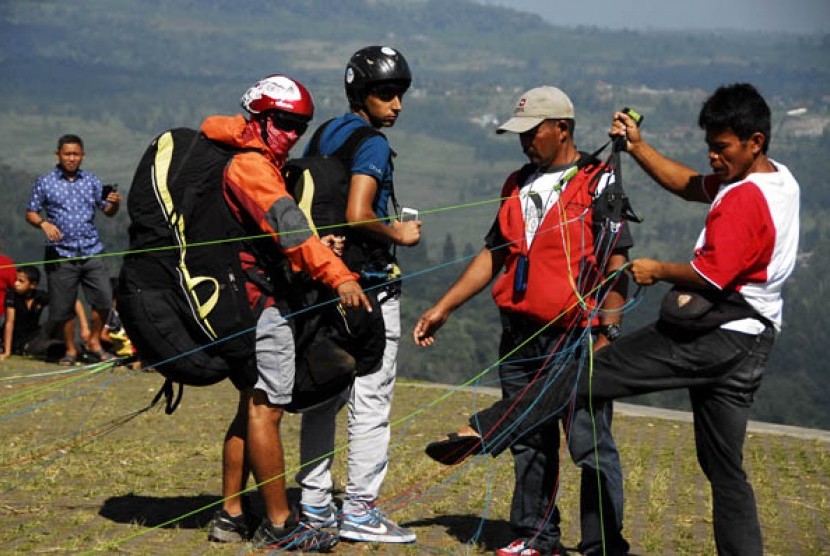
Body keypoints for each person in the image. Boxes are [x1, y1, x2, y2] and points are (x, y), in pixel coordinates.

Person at [424, 83, 799, 556]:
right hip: (753, 340)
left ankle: (488, 429)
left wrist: (653, 275)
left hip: (715, 335)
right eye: (710, 146)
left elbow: (710, 275)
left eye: (721, 148)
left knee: (582, 378)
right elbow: (687, 184)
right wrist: (639, 147)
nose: (712, 158)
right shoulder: (778, 180)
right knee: (724, 470)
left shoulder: (745, 198)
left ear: (755, 141)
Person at [414, 86, 632, 556]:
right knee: (529, 441)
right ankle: (535, 537)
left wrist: (608, 333)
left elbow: (617, 265)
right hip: (518, 337)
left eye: (532, 133)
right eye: (520, 134)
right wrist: (444, 307)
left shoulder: (599, 183)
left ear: (563, 129)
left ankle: (604, 546)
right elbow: (495, 254)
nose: (525, 142)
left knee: (589, 444)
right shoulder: (515, 183)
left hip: (574, 339)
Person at [192, 74, 372, 552]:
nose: (293, 133)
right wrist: (339, 275)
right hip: (255, 304)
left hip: (237, 299)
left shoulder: (248, 157)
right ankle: (280, 524)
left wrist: (316, 249)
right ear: (261, 118)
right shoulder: (251, 166)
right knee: (266, 410)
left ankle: (231, 515)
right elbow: (290, 230)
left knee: (249, 406)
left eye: (301, 125)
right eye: (285, 122)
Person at [295, 46, 421, 544]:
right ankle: (362, 509)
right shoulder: (371, 144)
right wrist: (399, 233)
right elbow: (357, 212)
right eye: (386, 94)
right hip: (368, 287)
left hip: (325, 283)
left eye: (401, 95)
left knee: (323, 395)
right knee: (371, 399)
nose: (397, 105)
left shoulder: (326, 132)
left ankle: (315, 504)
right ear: (361, 94)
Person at [26, 134, 121, 366]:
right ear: (57, 154)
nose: (71, 158)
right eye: (67, 154)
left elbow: (107, 210)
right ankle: (70, 350)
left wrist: (115, 203)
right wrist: (43, 223)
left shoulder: (91, 180)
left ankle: (95, 343)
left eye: (75, 154)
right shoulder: (45, 181)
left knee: (103, 300)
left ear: (82, 156)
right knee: (63, 307)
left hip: (92, 250)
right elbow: (31, 211)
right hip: (60, 254)